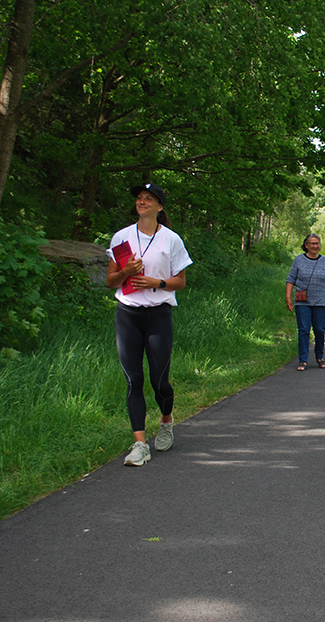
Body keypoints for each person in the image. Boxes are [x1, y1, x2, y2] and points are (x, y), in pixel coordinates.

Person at [106, 182, 193, 466]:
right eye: (139, 198)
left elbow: (180, 281)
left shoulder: (171, 240)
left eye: (148, 199)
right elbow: (110, 281)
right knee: (134, 380)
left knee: (159, 382)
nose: (142, 202)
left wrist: (158, 283)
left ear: (159, 207)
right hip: (128, 313)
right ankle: (140, 444)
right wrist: (127, 271)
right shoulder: (121, 237)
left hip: (158, 315)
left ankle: (166, 420)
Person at [286, 233, 325, 370]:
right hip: (302, 301)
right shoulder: (299, 260)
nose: (315, 246)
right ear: (306, 245)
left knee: (319, 330)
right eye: (312, 243)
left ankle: (320, 357)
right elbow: (291, 279)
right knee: (303, 330)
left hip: (320, 302)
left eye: (317, 243)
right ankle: (303, 360)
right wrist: (288, 297)